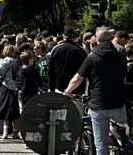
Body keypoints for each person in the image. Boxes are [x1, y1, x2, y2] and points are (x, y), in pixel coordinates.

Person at [64, 27, 127, 155]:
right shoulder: (120, 56)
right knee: (124, 137)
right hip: (118, 101)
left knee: (101, 143)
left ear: (97, 41)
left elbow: (77, 78)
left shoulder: (92, 57)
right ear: (110, 40)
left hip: (99, 103)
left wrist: (68, 91)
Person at [48, 28, 87, 94]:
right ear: (74, 37)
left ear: (63, 36)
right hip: (76, 90)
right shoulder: (81, 51)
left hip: (59, 90)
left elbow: (51, 71)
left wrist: (51, 89)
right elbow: (85, 71)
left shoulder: (55, 49)